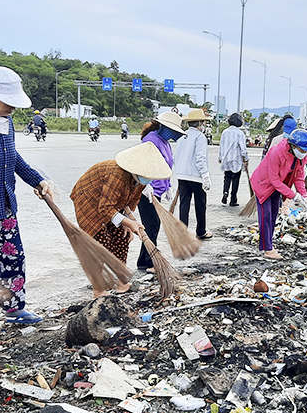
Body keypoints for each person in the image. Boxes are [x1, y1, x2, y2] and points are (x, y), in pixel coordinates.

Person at [0, 66, 53, 324]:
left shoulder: (6, 122)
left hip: (4, 203)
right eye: (7, 102)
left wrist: (38, 179)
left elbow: (13, 158)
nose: (12, 108)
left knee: (12, 258)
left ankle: (14, 308)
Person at [70, 142, 172, 297]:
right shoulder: (117, 174)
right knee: (99, 242)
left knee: (122, 237)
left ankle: (121, 282)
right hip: (90, 201)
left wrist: (126, 222)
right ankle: (98, 290)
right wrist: (129, 222)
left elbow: (133, 200)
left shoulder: (141, 179)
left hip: (111, 204)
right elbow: (104, 208)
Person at [250, 129, 307, 260]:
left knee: (273, 215)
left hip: (279, 187)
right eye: (302, 150)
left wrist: (304, 195)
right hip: (264, 183)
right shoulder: (276, 152)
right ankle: (267, 249)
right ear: (293, 146)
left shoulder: (301, 157)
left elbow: (299, 178)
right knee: (265, 216)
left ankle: (269, 245)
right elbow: (274, 180)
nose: (304, 153)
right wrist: (294, 195)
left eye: (306, 151)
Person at [137, 111, 186, 271]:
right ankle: (150, 262)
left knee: (152, 226)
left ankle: (144, 261)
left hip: (157, 191)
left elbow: (165, 166)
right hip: (146, 191)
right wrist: (146, 185)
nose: (172, 134)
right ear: (163, 127)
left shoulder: (165, 142)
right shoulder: (151, 140)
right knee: (152, 225)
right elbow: (143, 163)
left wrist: (168, 186)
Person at [175, 109, 213, 239]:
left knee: (184, 204)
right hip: (195, 176)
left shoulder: (182, 136)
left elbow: (176, 156)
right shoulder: (200, 137)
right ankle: (201, 231)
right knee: (200, 204)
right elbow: (200, 158)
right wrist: (205, 175)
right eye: (202, 122)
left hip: (182, 174)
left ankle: (182, 232)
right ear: (199, 123)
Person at [219, 113, 249, 207]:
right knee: (235, 180)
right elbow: (243, 148)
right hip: (236, 159)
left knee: (227, 178)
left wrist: (220, 157)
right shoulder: (240, 133)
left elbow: (221, 145)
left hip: (226, 158)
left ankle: (225, 192)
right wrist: (246, 159)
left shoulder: (225, 132)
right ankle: (233, 199)